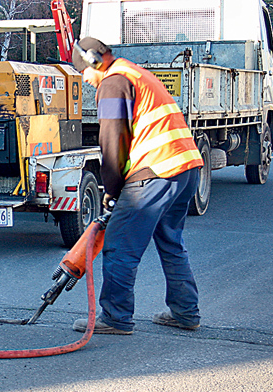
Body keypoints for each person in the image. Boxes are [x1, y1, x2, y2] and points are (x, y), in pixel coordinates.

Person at [71, 37, 202, 335]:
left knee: (119, 246)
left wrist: (111, 189)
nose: (87, 81)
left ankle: (116, 317)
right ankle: (186, 312)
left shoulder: (114, 82)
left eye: (84, 73)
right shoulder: (135, 73)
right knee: (171, 243)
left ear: (94, 61)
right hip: (185, 168)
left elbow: (112, 141)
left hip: (155, 171)